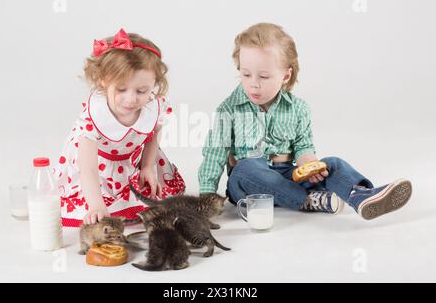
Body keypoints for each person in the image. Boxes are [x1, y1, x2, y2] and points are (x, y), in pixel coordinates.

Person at [198, 23, 412, 220]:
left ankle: (360, 196)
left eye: (263, 77)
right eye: (245, 74)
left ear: (285, 76)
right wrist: (207, 195)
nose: (253, 84)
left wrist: (311, 166)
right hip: (250, 183)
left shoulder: (298, 109)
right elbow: (215, 152)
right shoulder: (229, 109)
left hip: (287, 173)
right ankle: (309, 199)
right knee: (245, 169)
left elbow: (303, 146)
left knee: (333, 163)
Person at [55, 28, 185, 227]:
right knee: (99, 203)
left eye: (142, 91)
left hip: (131, 158)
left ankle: (134, 180)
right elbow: (88, 169)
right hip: (96, 166)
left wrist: (148, 166)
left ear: (154, 84)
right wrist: (97, 206)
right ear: (104, 81)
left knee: (157, 200)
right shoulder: (94, 116)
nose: (131, 99)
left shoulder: (153, 107)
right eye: (121, 89)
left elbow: (152, 135)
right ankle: (100, 200)